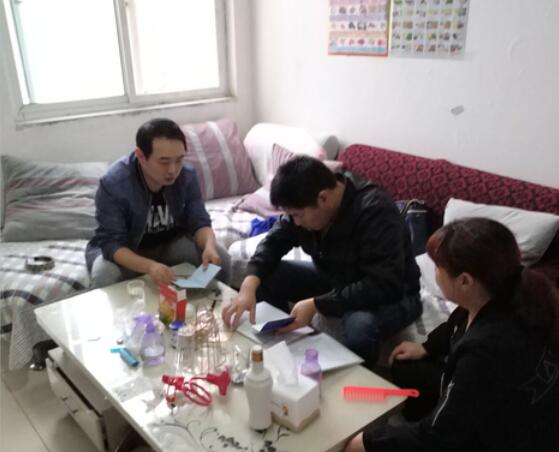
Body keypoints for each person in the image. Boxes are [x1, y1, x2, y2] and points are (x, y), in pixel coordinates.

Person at [345, 217, 559, 452]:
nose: (434, 272)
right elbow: (454, 324)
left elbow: (437, 436)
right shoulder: (505, 294)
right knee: (406, 366)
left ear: (465, 281)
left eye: (438, 267)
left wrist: (367, 442)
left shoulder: (485, 348)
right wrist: (426, 347)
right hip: (501, 403)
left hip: (508, 437)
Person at [222, 156, 421, 364]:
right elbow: (274, 241)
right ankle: (284, 344)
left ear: (323, 198)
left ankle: (356, 377)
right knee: (266, 275)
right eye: (292, 216)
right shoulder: (306, 203)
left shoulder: (375, 211)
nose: (295, 223)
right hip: (336, 278)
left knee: (360, 325)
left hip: (392, 293)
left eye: (298, 215)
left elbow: (383, 284)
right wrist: (249, 283)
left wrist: (318, 304)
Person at [85, 118, 230, 288]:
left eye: (179, 160)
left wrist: (209, 246)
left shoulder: (187, 176)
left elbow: (199, 221)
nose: (173, 170)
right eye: (164, 162)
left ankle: (218, 304)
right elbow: (111, 244)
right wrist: (150, 266)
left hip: (169, 245)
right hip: (128, 251)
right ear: (140, 156)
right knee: (104, 275)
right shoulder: (114, 184)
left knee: (220, 258)